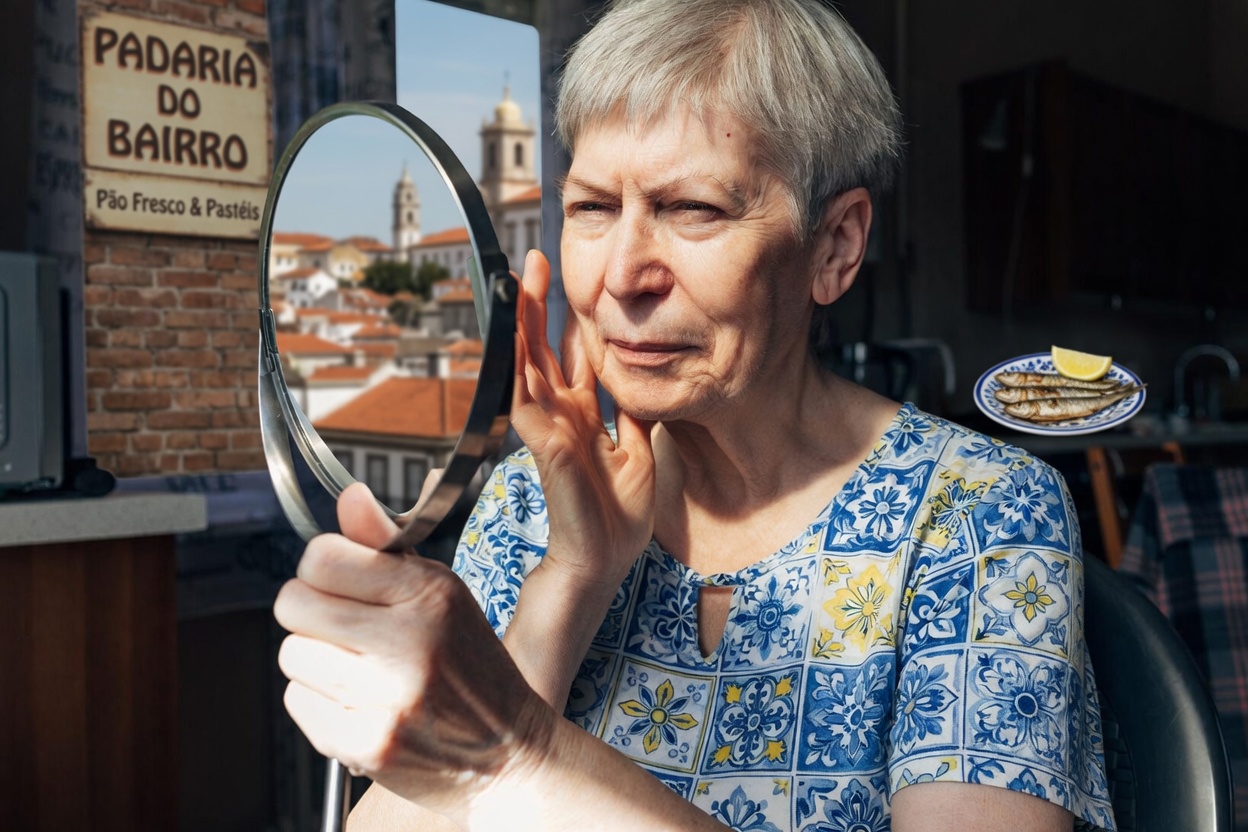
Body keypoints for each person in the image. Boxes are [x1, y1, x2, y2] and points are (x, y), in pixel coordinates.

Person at [273, 0, 1117, 829]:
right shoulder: (535, 502)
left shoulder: (978, 513)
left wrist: (518, 754)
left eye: (693, 210)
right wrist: (569, 582)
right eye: (593, 209)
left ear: (836, 247)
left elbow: (492, 759)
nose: (624, 274)